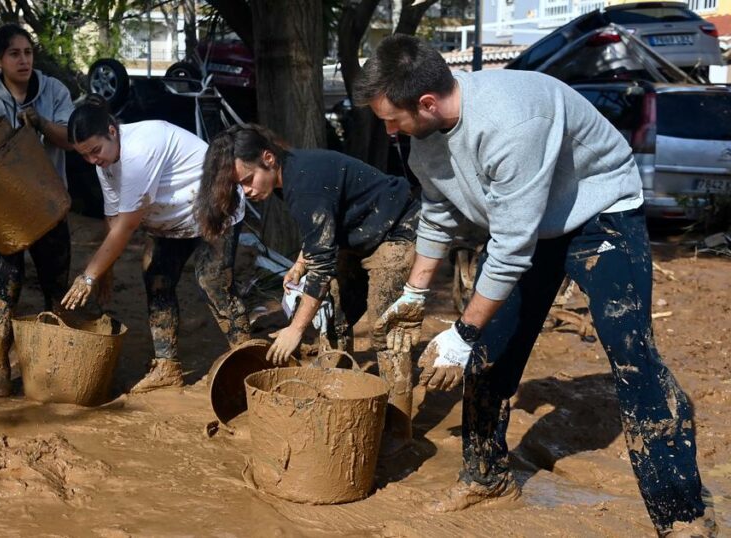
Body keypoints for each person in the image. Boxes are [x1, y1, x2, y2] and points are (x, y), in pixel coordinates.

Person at [355, 34, 715, 537]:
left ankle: (682, 515)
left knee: (633, 358)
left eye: (391, 117)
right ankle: (486, 476)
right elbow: (437, 214)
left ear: (427, 102)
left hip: (598, 213)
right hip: (529, 223)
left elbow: (510, 248)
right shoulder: (422, 137)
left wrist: (461, 332)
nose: (387, 127)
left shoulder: (510, 122)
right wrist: (415, 293)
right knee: (490, 349)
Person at [197, 123, 419, 447]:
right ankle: (339, 396)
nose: (246, 192)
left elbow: (323, 265)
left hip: (397, 230)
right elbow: (322, 231)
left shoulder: (303, 183)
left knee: (386, 330)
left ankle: (398, 434)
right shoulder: (291, 177)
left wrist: (295, 329)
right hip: (356, 234)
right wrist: (300, 264)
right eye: (238, 186)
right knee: (334, 315)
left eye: (246, 181)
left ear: (268, 159)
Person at [62, 96, 251, 393]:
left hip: (216, 207)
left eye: (95, 151)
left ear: (113, 130)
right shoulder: (106, 163)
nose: (92, 161)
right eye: (84, 156)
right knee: (157, 279)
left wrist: (89, 275)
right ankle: (167, 366)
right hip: (172, 220)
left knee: (212, 280)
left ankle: (249, 360)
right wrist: (105, 269)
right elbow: (112, 217)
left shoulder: (139, 149)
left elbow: (127, 225)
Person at [0, 24, 75, 397]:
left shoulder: (55, 91)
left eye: (27, 52)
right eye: (14, 54)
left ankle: (54, 369)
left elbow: (72, 140)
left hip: (49, 207)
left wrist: (42, 124)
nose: (23, 60)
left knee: (57, 290)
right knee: (4, 290)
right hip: (4, 216)